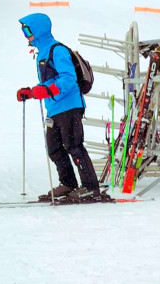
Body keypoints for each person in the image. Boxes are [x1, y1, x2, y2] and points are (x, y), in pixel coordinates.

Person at [16, 12, 104, 202]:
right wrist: (31, 92)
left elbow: (68, 79)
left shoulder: (58, 50)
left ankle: (90, 187)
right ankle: (68, 183)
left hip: (70, 106)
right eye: (24, 32)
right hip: (54, 109)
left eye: (28, 31)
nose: (26, 36)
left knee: (74, 146)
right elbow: (49, 82)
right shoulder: (43, 53)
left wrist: (46, 91)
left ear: (39, 30)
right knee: (54, 148)